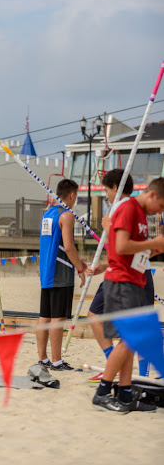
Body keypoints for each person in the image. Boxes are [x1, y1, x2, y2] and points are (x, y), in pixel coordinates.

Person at [92, 177, 164, 413]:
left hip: (133, 280)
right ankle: (103, 392)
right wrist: (153, 242)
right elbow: (121, 246)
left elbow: (132, 252)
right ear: (152, 195)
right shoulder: (129, 208)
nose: (159, 212)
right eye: (161, 206)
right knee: (129, 340)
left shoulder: (142, 214)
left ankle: (124, 394)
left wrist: (155, 248)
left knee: (130, 342)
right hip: (121, 282)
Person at [87, 169, 155, 382]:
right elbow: (130, 249)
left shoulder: (122, 206)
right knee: (136, 328)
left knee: (101, 318)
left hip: (124, 276)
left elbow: (123, 246)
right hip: (135, 271)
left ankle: (111, 368)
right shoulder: (137, 209)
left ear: (115, 188)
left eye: (107, 190)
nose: (106, 195)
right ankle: (133, 375)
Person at [37, 179, 87, 371]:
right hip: (61, 273)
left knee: (45, 316)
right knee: (58, 318)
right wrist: (80, 270)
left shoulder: (47, 214)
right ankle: (57, 361)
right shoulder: (66, 215)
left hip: (47, 272)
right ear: (72, 195)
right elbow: (68, 246)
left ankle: (43, 358)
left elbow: (57, 246)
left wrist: (79, 262)